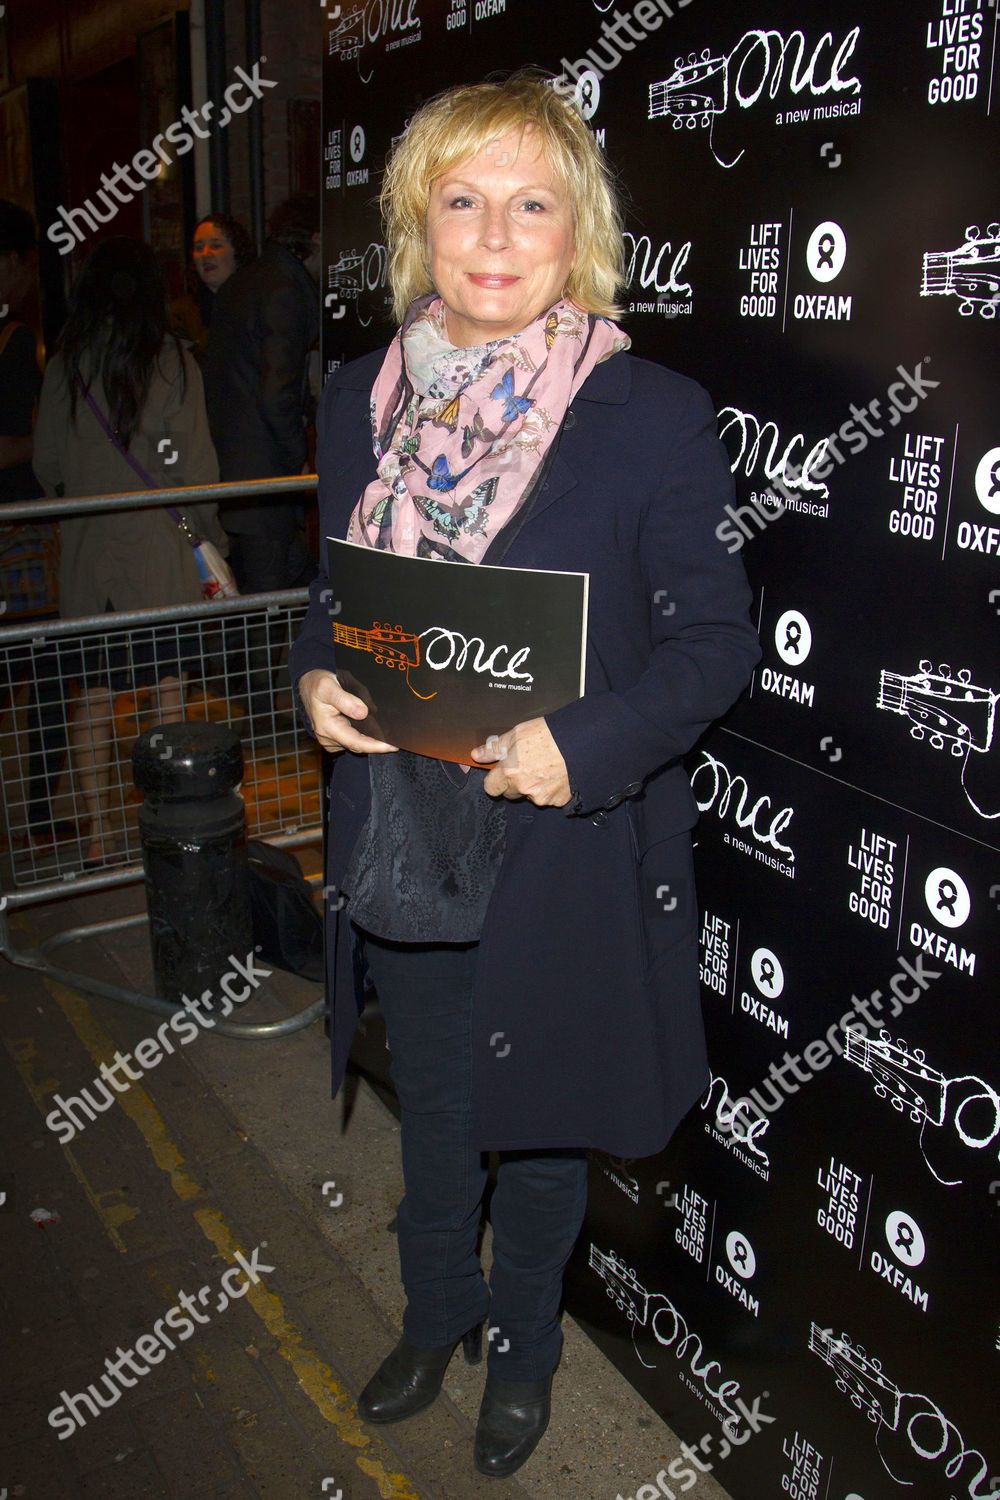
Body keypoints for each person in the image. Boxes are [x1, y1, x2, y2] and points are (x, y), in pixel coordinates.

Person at [288, 74, 761, 1478]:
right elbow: (332, 596)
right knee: (433, 1106)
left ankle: (527, 1356)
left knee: (542, 1129)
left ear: (580, 229)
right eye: (462, 203)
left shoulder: (650, 413)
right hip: (404, 828)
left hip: (559, 834)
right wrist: (316, 677)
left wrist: (587, 742)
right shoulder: (355, 400)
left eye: (531, 204)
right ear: (416, 227)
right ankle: (436, 1317)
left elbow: (717, 644)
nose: (496, 238)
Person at [32, 236, 226, 865]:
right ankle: (164, 815)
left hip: (90, 553)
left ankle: (96, 835)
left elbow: (48, 465)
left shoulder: (65, 365)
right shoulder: (174, 362)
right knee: (166, 690)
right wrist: (210, 536)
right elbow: (191, 467)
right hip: (159, 553)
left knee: (91, 694)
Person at [203, 192, 320, 595]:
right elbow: (278, 392)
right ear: (315, 240)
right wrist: (297, 461)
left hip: (241, 480)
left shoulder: (245, 283)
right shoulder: (284, 288)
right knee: (270, 609)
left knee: (275, 600)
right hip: (265, 483)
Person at [0, 200, 70, 847]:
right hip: (20, 529)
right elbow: (32, 448)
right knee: (40, 669)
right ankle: (39, 813)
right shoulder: (19, 343)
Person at [169, 212, 255, 361]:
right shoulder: (180, 315)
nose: (206, 254)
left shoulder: (257, 305)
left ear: (237, 253)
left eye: (216, 245)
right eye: (199, 247)